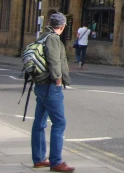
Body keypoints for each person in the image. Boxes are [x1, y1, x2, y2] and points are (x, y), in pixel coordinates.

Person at [31, 12, 75, 172]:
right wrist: (58, 80)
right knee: (59, 123)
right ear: (63, 26)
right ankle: (56, 161)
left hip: (41, 84)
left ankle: (39, 159)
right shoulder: (53, 39)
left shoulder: (42, 36)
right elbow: (54, 60)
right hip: (50, 86)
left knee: (39, 123)